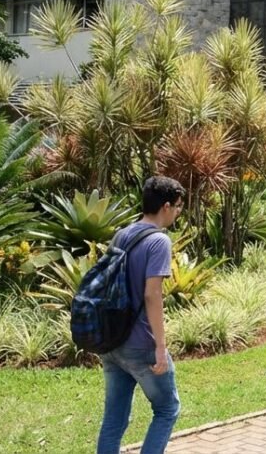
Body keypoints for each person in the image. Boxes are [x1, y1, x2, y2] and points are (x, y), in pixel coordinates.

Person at [96, 176, 186, 454]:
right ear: (166, 206)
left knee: (114, 419)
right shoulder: (159, 241)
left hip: (113, 342)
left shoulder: (122, 234)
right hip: (141, 344)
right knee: (167, 409)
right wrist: (160, 346)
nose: (179, 212)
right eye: (178, 206)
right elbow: (152, 295)